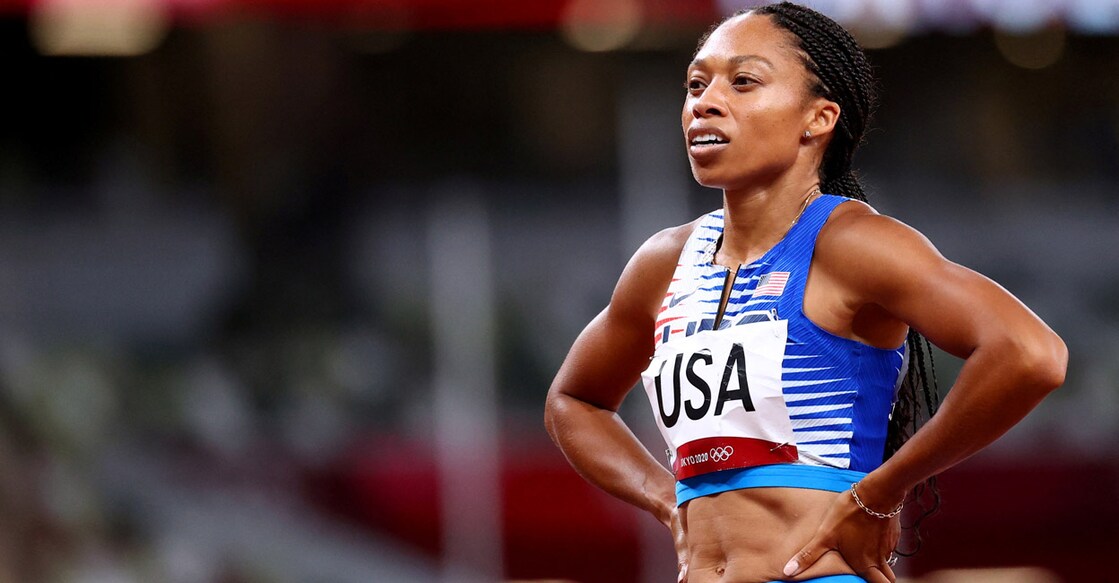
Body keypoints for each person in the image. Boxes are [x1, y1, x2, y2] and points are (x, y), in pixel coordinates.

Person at [543, 3, 1068, 583]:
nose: (705, 102)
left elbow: (1029, 353)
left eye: (743, 81)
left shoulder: (851, 245)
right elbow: (575, 402)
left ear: (817, 119)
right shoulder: (665, 262)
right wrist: (666, 501)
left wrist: (882, 490)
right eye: (697, 83)